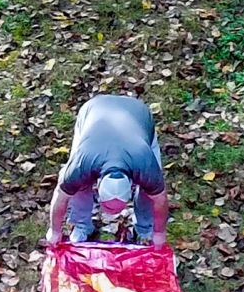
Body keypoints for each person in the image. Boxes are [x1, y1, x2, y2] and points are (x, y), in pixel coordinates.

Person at [45, 94, 169, 247]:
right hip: (93, 112)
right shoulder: (82, 163)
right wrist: (55, 231)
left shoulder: (145, 165)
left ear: (131, 185)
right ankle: (81, 226)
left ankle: (145, 230)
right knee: (78, 185)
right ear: (98, 184)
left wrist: (159, 233)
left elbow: (160, 199)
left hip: (138, 115)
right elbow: (61, 195)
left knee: (149, 191)